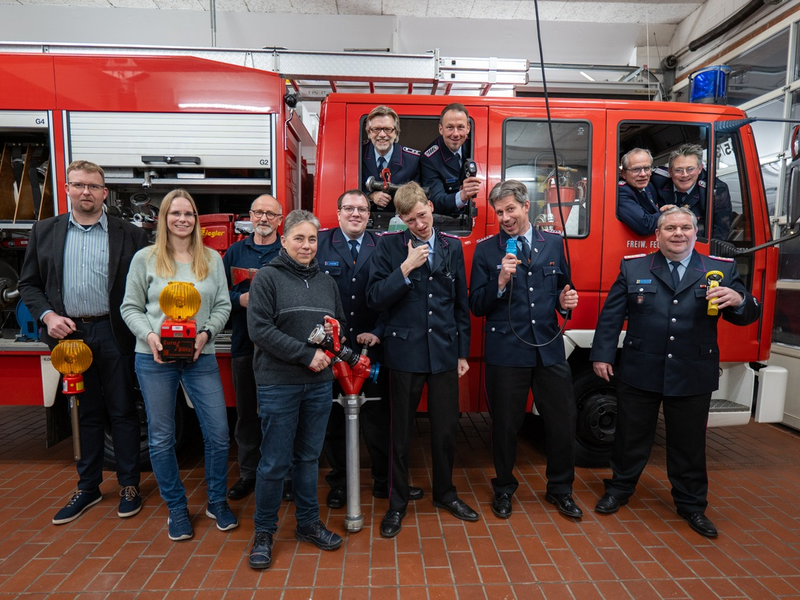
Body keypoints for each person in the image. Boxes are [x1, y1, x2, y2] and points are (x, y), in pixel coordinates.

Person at [590, 207, 761, 538]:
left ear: (696, 233)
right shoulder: (634, 267)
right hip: (640, 368)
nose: (678, 233)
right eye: (670, 228)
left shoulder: (720, 269)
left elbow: (746, 316)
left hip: (692, 371)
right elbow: (611, 316)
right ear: (657, 235)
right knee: (629, 437)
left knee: (689, 444)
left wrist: (739, 299)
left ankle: (692, 505)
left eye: (685, 228)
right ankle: (619, 489)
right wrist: (601, 355)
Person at [18, 160, 148, 526]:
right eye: (78, 185)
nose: (85, 192)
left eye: (93, 186)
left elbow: (143, 285)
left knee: (123, 411)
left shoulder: (130, 234)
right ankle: (88, 487)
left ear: (105, 192)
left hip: (114, 332)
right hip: (70, 337)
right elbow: (29, 284)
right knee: (84, 413)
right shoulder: (45, 231)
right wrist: (48, 316)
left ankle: (129, 486)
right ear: (67, 189)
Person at [121, 189, 237, 542]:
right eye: (175, 213)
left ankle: (217, 500)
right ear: (164, 219)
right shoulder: (145, 259)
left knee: (218, 433)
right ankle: (176, 507)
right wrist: (150, 337)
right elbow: (130, 307)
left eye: (188, 214)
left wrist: (206, 334)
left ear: (196, 220)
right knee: (161, 438)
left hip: (200, 357)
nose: (182, 219)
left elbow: (223, 305)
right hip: (154, 358)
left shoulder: (211, 259)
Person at [367, 181, 477, 538]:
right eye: (410, 220)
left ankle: (445, 493)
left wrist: (462, 352)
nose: (419, 224)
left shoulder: (451, 246)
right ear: (401, 219)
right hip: (404, 353)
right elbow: (374, 297)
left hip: (443, 351)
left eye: (422, 215)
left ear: (430, 206)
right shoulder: (388, 247)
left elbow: (460, 303)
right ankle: (396, 503)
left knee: (446, 430)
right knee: (400, 434)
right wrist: (404, 269)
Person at [469, 179, 582, 520]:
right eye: (499, 212)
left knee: (562, 421)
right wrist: (500, 282)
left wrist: (565, 302)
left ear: (526, 206)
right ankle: (504, 488)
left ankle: (561, 489)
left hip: (548, 349)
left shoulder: (554, 243)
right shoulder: (486, 250)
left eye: (510, 209)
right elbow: (476, 304)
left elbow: (563, 288)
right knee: (505, 425)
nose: (505, 217)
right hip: (506, 351)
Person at [246, 209, 346, 570]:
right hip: (279, 384)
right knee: (274, 462)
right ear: (284, 239)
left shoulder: (327, 282)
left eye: (312, 239)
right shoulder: (267, 278)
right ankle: (264, 532)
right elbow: (259, 329)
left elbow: (339, 325)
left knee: (308, 459)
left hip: (318, 386)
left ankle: (307, 524)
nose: (306, 245)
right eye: (299, 238)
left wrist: (333, 339)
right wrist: (306, 355)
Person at [317, 190, 424, 508]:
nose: (356, 214)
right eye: (349, 208)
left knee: (379, 419)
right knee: (333, 419)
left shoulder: (384, 246)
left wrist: (378, 331)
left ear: (369, 215)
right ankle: (339, 483)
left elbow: (393, 297)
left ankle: (384, 481)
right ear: (338, 212)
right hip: (331, 350)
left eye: (362, 209)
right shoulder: (319, 244)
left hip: (371, 350)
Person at [222, 194, 286, 502]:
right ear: (250, 216)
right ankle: (248, 473)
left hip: (280, 351)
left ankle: (281, 475)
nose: (263, 219)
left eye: (270, 214)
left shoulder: (287, 251)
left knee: (278, 416)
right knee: (246, 414)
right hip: (243, 346)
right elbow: (217, 294)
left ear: (280, 220)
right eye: (258, 213)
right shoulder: (235, 252)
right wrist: (240, 300)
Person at [651, 143, 732, 239]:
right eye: (678, 170)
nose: (685, 175)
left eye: (690, 169)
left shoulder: (715, 189)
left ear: (700, 169)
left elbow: (720, 232)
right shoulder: (655, 180)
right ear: (670, 171)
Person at [420, 103, 481, 217]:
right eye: (450, 127)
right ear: (441, 129)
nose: (456, 134)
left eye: (460, 127)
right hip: (451, 220)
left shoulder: (476, 146)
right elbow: (436, 201)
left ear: (468, 128)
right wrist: (462, 195)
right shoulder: (430, 159)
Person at [361, 105, 420, 214]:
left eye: (388, 129)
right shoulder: (357, 154)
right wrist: (370, 196)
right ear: (369, 132)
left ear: (396, 132)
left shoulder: (413, 160)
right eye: (376, 129)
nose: (382, 134)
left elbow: (419, 197)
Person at [617, 148, 674, 236]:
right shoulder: (621, 192)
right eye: (636, 169)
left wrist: (664, 210)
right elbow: (645, 225)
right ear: (623, 173)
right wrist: (669, 214)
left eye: (647, 168)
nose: (643, 174)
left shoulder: (649, 187)